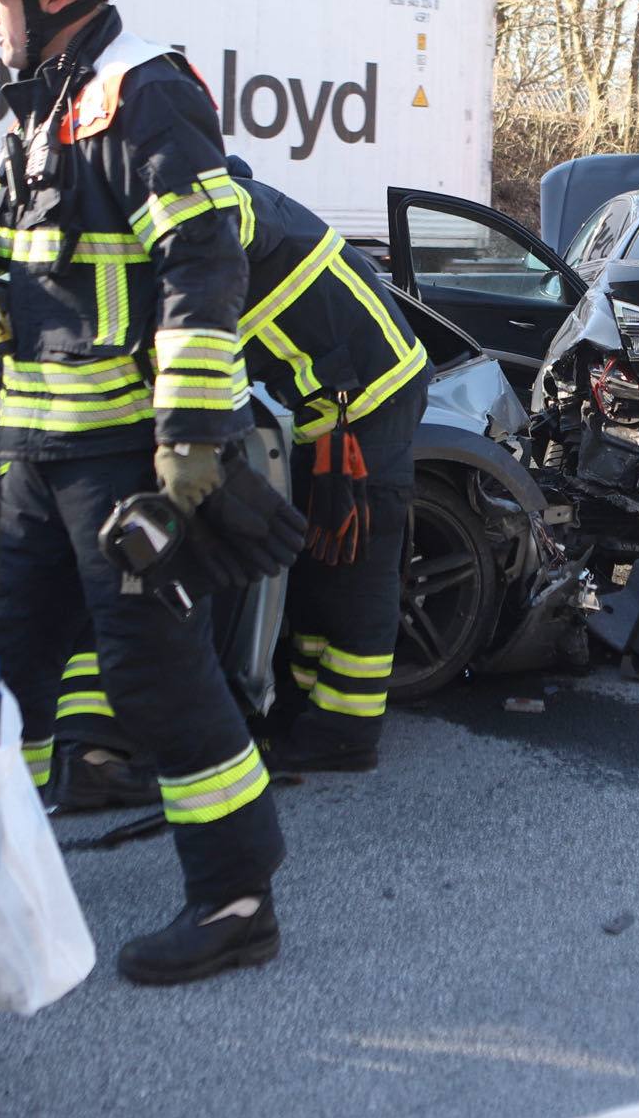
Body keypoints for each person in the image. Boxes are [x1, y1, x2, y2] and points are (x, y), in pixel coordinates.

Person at [0, 0, 286, 986]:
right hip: (34, 454)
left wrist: (189, 439)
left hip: (126, 458)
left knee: (158, 673)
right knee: (0, 659)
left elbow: (204, 263)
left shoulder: (145, 94)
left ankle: (235, 900)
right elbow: (27, 230)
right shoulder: (47, 102)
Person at [53, 155, 429, 778]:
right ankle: (304, 703)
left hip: (372, 397)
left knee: (353, 564)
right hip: (332, 402)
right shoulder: (213, 217)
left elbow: (207, 329)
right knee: (316, 558)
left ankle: (346, 731)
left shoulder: (225, 215)